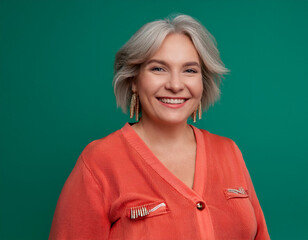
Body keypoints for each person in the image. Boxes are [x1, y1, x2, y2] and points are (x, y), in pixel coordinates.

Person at [49, 14, 270, 240]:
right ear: (134, 80)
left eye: (190, 70)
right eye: (158, 69)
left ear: (202, 83)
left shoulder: (229, 152)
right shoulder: (98, 162)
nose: (175, 85)